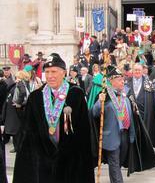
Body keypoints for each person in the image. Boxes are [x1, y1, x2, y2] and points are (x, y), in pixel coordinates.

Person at [12, 53, 95, 183]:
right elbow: (27, 134)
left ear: (63, 72)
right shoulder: (35, 97)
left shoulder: (76, 95)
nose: (50, 76)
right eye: (47, 72)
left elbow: (84, 133)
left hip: (69, 162)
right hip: (43, 162)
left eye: (54, 71)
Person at [92, 65, 155, 183]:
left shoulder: (125, 97)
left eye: (123, 79)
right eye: (119, 80)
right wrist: (99, 102)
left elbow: (132, 117)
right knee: (114, 164)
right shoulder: (104, 96)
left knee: (120, 162)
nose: (123, 82)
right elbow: (94, 114)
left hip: (126, 135)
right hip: (111, 136)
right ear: (111, 81)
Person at [125, 63, 155, 148]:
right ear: (132, 71)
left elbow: (152, 98)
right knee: (132, 132)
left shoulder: (148, 82)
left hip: (144, 112)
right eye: (135, 70)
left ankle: (144, 148)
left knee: (143, 131)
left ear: (142, 70)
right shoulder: (126, 81)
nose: (137, 71)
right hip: (130, 113)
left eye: (139, 70)